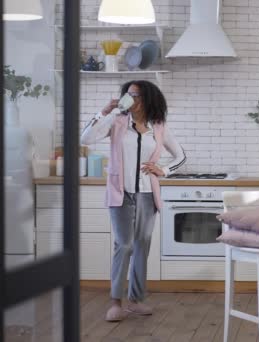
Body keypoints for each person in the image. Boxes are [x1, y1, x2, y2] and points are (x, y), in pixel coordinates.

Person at [81, 80, 186, 322]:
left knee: (142, 245)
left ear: (147, 99)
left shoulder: (158, 126)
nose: (131, 99)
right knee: (124, 244)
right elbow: (86, 139)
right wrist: (104, 112)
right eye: (128, 94)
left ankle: (135, 300)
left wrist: (164, 170)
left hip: (148, 194)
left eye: (136, 95)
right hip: (121, 192)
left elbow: (181, 156)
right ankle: (116, 301)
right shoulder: (116, 121)